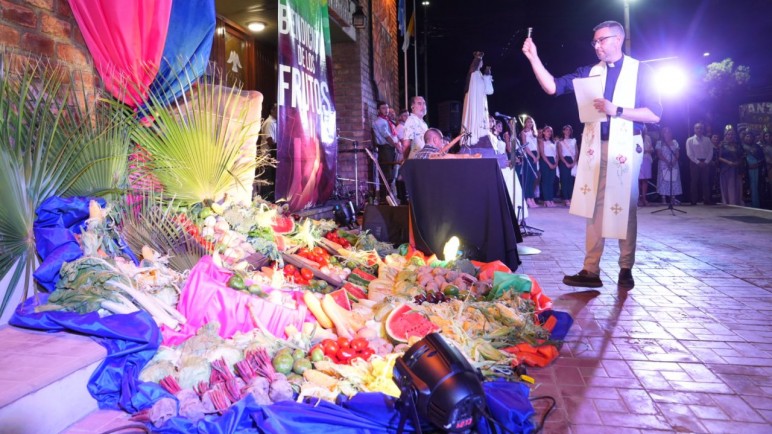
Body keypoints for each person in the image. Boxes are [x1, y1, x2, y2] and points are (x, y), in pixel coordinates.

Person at [522, 20, 662, 289]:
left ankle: (625, 267)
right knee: (594, 210)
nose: (596, 45)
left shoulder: (641, 71)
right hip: (595, 146)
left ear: (618, 40)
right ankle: (590, 270)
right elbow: (552, 86)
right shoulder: (589, 72)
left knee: (626, 206)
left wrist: (616, 110)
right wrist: (534, 57)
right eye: (594, 41)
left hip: (626, 145)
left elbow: (655, 114)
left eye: (601, 40)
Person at [462, 51, 495, 146]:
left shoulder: (480, 75)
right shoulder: (473, 75)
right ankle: (474, 137)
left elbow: (489, 91)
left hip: (481, 104)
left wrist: (487, 77)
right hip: (476, 105)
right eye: (480, 61)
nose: (482, 63)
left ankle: (480, 134)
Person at [372, 101, 400, 201]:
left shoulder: (387, 120)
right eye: (383, 108)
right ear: (378, 110)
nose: (386, 110)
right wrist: (396, 145)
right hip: (385, 148)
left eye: (387, 108)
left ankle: (389, 196)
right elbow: (387, 136)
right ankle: (385, 198)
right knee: (386, 173)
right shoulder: (380, 121)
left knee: (391, 173)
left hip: (391, 148)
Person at [685, 122, 714, 205]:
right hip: (695, 162)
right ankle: (694, 200)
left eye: (701, 128)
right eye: (697, 128)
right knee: (694, 182)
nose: (699, 130)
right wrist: (697, 162)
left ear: (703, 129)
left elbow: (710, 152)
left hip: (705, 162)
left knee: (705, 181)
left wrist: (706, 162)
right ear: (694, 129)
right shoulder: (690, 140)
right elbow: (689, 153)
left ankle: (707, 199)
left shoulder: (707, 139)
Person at [412, 128, 479, 160]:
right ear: (435, 140)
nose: (442, 143)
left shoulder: (415, 156)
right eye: (441, 140)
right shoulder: (437, 155)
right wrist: (472, 156)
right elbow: (455, 157)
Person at [656, 126, 682, 204]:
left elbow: (677, 153)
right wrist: (667, 162)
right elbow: (659, 154)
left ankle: (673, 198)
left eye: (669, 132)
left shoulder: (675, 142)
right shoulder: (659, 142)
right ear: (663, 133)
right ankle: (663, 198)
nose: (667, 133)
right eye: (665, 132)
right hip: (664, 164)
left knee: (673, 180)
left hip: (674, 164)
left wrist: (673, 162)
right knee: (664, 180)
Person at [257, 103, 278, 200]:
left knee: (271, 179)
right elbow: (271, 142)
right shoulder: (269, 122)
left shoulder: (275, 122)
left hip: (272, 157)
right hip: (266, 157)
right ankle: (265, 200)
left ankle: (269, 199)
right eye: (277, 109)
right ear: (272, 110)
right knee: (266, 180)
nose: (279, 112)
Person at [718, 127, 743, 205]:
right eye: (729, 134)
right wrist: (728, 162)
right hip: (726, 168)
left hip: (736, 168)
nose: (730, 136)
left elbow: (741, 156)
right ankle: (727, 202)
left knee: (736, 185)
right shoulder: (722, 145)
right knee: (727, 185)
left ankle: (735, 202)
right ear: (725, 135)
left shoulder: (737, 145)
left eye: (732, 134)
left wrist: (738, 163)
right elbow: (718, 157)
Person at [519, 116, 540, 208]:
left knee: (533, 178)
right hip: (528, 154)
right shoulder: (523, 133)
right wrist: (532, 156)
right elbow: (525, 146)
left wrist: (538, 155)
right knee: (528, 177)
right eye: (528, 122)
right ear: (525, 123)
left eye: (531, 122)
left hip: (535, 155)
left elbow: (537, 146)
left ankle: (532, 198)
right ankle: (527, 198)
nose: (530, 123)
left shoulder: (534, 133)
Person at [558, 125, 578, 208]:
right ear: (563, 131)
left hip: (572, 160)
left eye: (569, 130)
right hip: (564, 161)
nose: (568, 131)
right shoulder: (560, 142)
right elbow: (560, 153)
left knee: (571, 180)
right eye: (566, 130)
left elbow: (577, 152)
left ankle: (570, 198)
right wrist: (566, 163)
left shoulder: (574, 140)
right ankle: (566, 199)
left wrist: (574, 162)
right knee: (564, 180)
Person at [743, 130, 764, 208]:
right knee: (747, 186)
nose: (749, 138)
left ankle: (756, 205)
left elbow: (762, 159)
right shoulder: (741, 147)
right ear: (744, 137)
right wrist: (747, 166)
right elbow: (740, 159)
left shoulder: (757, 147)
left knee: (756, 187)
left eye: (750, 137)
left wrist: (757, 165)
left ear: (753, 138)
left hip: (756, 170)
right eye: (747, 136)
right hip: (745, 170)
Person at [539, 125, 558, 207]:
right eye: (547, 131)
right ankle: (546, 200)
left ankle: (551, 199)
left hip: (553, 161)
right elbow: (542, 154)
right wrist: (549, 164)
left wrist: (556, 163)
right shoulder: (541, 141)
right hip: (545, 161)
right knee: (545, 181)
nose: (549, 133)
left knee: (551, 182)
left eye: (550, 131)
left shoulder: (553, 142)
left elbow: (557, 154)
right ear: (543, 132)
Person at [638, 126, 653, 206]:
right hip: (638, 159)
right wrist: (646, 150)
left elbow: (651, 147)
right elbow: (638, 150)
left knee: (645, 180)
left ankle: (644, 198)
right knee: (637, 180)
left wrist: (650, 150)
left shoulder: (648, 137)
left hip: (647, 159)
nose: (645, 129)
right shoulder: (635, 136)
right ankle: (637, 199)